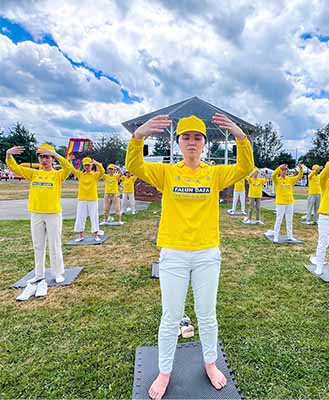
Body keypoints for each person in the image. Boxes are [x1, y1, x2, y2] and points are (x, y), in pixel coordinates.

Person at [126, 113, 253, 400]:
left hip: (207, 253)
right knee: (170, 317)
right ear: (178, 142)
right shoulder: (167, 173)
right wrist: (138, 136)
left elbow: (246, 166)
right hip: (173, 254)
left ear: (205, 143)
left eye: (197, 137)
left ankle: (210, 363)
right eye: (186, 137)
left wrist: (240, 137)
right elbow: (133, 165)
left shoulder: (214, 173)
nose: (192, 142)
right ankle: (165, 371)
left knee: (207, 314)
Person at [5, 144, 73, 284]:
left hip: (53, 213)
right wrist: (8, 154)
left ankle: (58, 272)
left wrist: (56, 155)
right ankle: (39, 273)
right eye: (41, 156)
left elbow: (68, 168)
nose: (44, 159)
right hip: (36, 213)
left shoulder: (58, 175)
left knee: (54, 244)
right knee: (38, 245)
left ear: (52, 158)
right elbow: (15, 168)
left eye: (47, 156)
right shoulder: (34, 173)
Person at [69, 157, 105, 242]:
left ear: (91, 165)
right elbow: (72, 169)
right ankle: (81, 235)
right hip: (82, 199)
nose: (87, 167)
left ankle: (96, 235)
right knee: (80, 217)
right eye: (85, 165)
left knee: (94, 216)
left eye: (88, 165)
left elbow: (102, 172)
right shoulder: (80, 174)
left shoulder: (95, 175)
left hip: (92, 199)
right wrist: (69, 161)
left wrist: (97, 164)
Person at [271, 163, 303, 242]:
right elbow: (273, 175)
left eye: (285, 170)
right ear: (280, 171)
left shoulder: (290, 179)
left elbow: (299, 176)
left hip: (290, 202)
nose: (284, 172)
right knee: (279, 220)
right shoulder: (277, 180)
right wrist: (279, 167)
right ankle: (276, 236)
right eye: (282, 170)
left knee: (289, 220)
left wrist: (301, 169)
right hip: (280, 203)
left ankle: (290, 236)